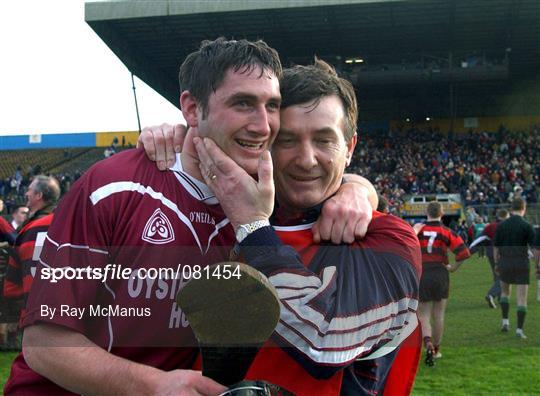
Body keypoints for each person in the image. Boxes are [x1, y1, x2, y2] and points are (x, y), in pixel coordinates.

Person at [8, 38, 374, 396]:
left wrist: (357, 187)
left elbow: (323, 175)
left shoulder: (262, 205)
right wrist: (154, 386)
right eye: (243, 103)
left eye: (272, 106)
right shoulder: (114, 187)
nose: (263, 126)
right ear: (193, 109)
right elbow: (43, 344)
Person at [188, 59, 422, 395]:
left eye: (324, 140)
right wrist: (171, 141)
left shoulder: (389, 239)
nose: (306, 159)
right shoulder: (224, 211)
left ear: (350, 147)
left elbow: (324, 345)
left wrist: (253, 228)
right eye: (287, 140)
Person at [414, 201, 470, 365]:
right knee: (438, 314)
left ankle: (427, 343)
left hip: (423, 272)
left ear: (427, 212)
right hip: (440, 272)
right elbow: (463, 252)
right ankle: (436, 349)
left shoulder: (419, 229)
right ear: (442, 214)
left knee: (423, 314)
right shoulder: (446, 231)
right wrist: (453, 267)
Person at [494, 198, 537, 339]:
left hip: (505, 262)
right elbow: (535, 249)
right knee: (521, 298)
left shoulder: (502, 225)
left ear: (511, 209)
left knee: (505, 293)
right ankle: (519, 330)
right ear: (523, 208)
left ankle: (505, 322)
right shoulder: (527, 226)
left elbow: (496, 247)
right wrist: (538, 265)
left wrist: (496, 263)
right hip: (521, 263)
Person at [469, 208, 510, 308]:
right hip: (504, 254)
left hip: (491, 254)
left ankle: (501, 298)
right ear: (507, 216)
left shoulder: (490, 226)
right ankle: (491, 295)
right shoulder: (509, 226)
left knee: (497, 276)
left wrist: (468, 252)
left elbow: (479, 240)